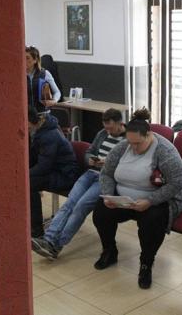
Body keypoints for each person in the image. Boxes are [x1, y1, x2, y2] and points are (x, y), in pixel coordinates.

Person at [92, 108, 182, 289]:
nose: (134, 148)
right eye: (130, 143)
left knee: (153, 222)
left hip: (157, 199)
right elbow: (106, 173)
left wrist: (150, 200)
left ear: (149, 135)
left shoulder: (165, 151)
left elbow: (177, 183)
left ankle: (146, 263)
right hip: (124, 198)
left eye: (138, 144)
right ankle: (109, 251)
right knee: (101, 212)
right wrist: (109, 195)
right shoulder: (123, 147)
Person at [31, 108, 126, 259]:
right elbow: (90, 150)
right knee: (70, 203)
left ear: (120, 123)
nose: (108, 131)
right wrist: (89, 159)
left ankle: (56, 245)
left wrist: (107, 163)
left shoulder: (128, 140)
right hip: (89, 173)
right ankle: (48, 239)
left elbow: (127, 165)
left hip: (106, 178)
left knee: (80, 206)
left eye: (111, 128)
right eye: (105, 127)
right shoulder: (102, 133)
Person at [28, 106, 80, 238]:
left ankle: (36, 230)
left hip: (65, 175)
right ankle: (31, 224)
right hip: (54, 171)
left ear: (29, 120)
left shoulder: (48, 135)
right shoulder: (39, 130)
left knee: (29, 184)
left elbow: (44, 166)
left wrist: (25, 174)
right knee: (27, 181)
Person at [26, 46, 61, 113]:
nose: (24, 61)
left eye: (27, 58)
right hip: (27, 115)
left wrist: (54, 100)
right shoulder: (20, 76)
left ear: (35, 60)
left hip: (43, 114)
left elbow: (57, 92)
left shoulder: (45, 73)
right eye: (23, 58)